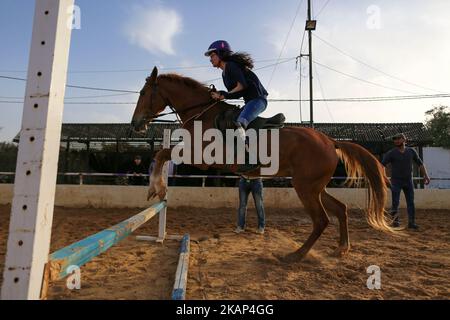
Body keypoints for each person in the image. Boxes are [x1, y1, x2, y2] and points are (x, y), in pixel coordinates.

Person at [204, 40, 268, 149]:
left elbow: (242, 85)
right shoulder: (224, 74)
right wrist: (220, 94)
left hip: (258, 100)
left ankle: (250, 152)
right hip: (249, 103)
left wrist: (224, 95)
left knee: (240, 122)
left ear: (221, 54)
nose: (210, 59)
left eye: (213, 55)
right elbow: (236, 94)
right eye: (210, 56)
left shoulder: (231, 66)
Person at [381, 133, 430, 229]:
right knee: (395, 202)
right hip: (396, 181)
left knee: (411, 202)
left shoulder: (411, 151)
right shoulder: (391, 153)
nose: (396, 140)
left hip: (408, 181)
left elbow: (420, 164)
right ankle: (395, 222)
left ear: (404, 139)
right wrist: (384, 177)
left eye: (398, 138)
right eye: (395, 139)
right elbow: (382, 165)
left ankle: (411, 223)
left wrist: (426, 175)